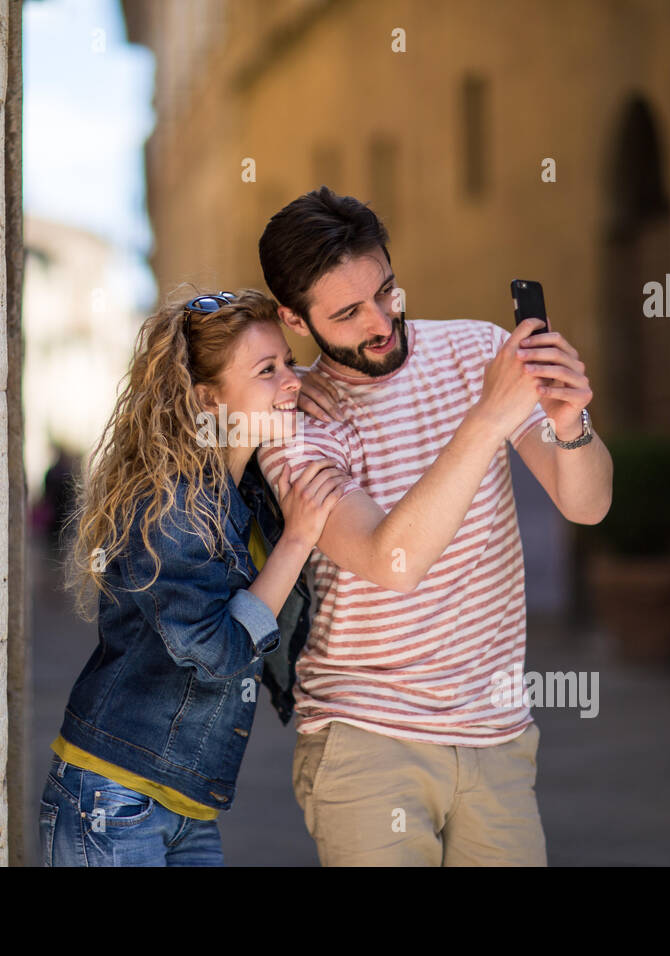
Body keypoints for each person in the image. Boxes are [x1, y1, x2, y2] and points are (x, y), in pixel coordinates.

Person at [254, 186, 614, 866]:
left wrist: (572, 423)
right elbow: (394, 563)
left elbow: (588, 504)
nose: (381, 321)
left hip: (499, 734)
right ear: (295, 320)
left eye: (386, 292)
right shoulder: (298, 421)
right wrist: (486, 420)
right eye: (349, 312)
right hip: (367, 740)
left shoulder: (478, 348)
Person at [39, 287, 353, 866]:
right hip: (115, 800)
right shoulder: (173, 508)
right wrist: (298, 538)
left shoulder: (246, 484)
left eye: (288, 361)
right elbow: (216, 652)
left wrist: (301, 383)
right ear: (209, 402)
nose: (292, 379)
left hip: (187, 801)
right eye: (268, 370)